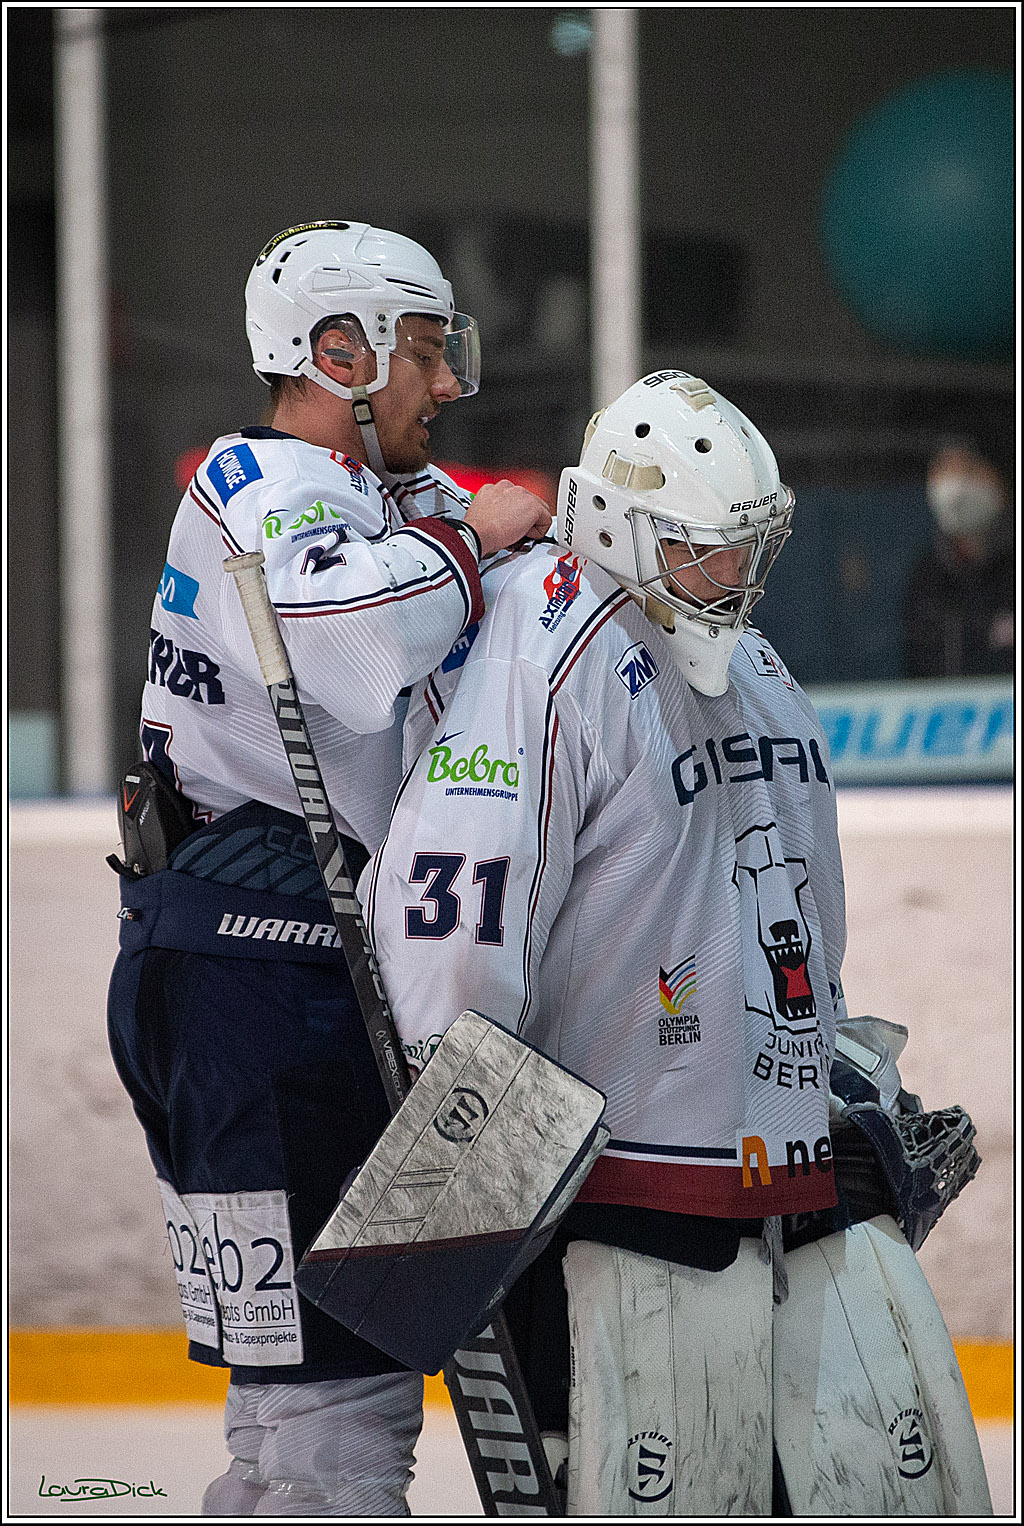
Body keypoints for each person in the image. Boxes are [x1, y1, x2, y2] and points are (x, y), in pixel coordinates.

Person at [364, 372, 992, 1515]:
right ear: (621, 524)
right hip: (619, 1205)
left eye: (753, 549)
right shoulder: (539, 639)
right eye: (711, 550)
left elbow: (803, 910)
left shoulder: (752, 665)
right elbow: (451, 923)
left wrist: (834, 1075)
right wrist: (475, 1168)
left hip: (791, 1192)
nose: (741, 579)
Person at [105, 219, 551, 1517]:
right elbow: (358, 650)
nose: (447, 384)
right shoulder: (268, 481)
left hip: (239, 979)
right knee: (338, 1438)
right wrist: (483, 542)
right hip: (273, 1002)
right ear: (335, 350)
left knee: (282, 1429)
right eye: (424, 351)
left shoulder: (354, 498)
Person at [903, 438, 1014, 677]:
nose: (957, 485)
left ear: (997, 479)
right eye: (945, 470)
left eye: (967, 469)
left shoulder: (1010, 568)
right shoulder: (927, 575)